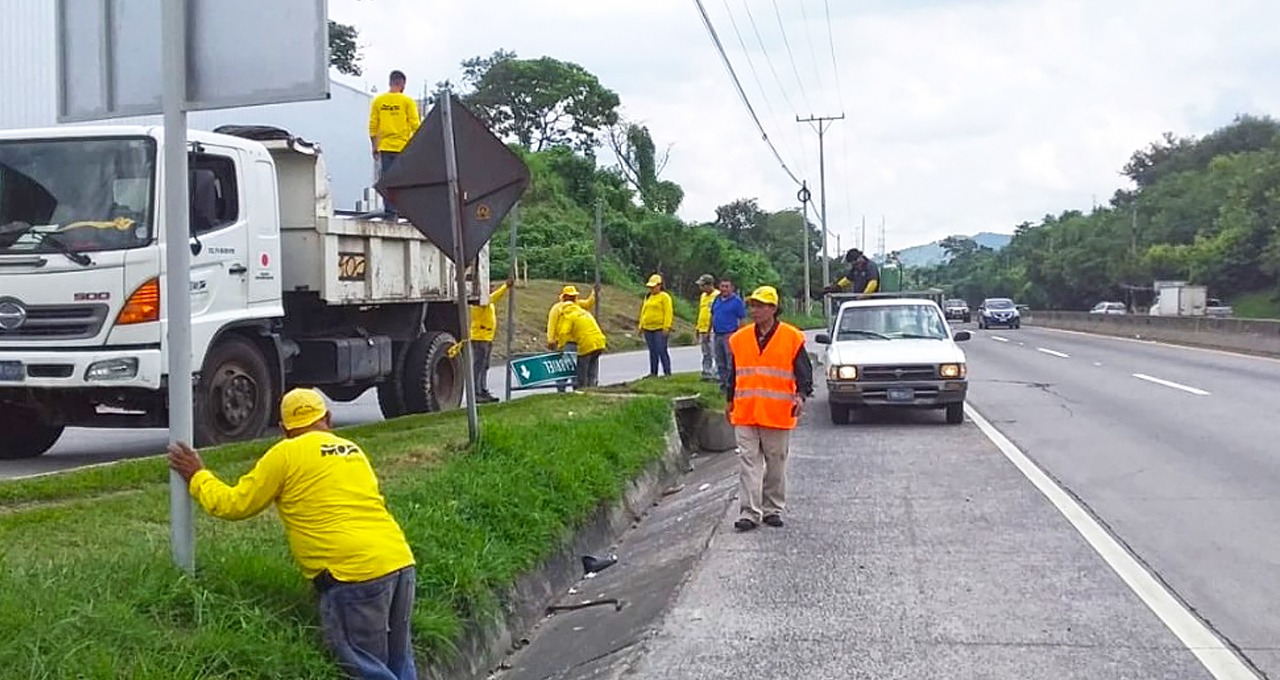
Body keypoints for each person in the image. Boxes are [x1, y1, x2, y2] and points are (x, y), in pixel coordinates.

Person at [166, 388, 417, 680]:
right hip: (399, 562)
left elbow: (234, 505)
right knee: (400, 660)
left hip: (353, 575)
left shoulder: (285, 454)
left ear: (285, 430)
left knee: (365, 669)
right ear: (328, 419)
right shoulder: (353, 451)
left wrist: (198, 476)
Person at [724, 286, 813, 532]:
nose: (754, 310)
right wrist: (729, 399)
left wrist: (801, 396)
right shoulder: (740, 338)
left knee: (776, 463)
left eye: (760, 305)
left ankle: (772, 508)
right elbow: (734, 373)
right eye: (752, 305)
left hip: (777, 411)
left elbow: (804, 372)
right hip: (746, 410)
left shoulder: (791, 337)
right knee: (748, 462)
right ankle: (749, 513)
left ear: (773, 309)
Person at [369, 70, 421, 219]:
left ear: (390, 82)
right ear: (402, 84)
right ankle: (403, 210)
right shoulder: (407, 102)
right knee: (403, 180)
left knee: (387, 180)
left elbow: (373, 126)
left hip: (385, 147)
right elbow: (415, 125)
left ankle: (390, 211)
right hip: (403, 147)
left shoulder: (379, 101)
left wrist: (374, 146)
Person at [467, 277, 514, 403]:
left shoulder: (487, 302)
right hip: (480, 337)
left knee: (484, 365)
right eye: (489, 287)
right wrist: (505, 287)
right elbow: (494, 297)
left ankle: (482, 389)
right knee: (479, 365)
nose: (491, 289)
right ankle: (476, 392)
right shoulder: (479, 302)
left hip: (487, 337)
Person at [546, 285, 597, 392]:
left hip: (578, 342)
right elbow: (552, 324)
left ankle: (577, 389)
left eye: (573, 296)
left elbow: (588, 304)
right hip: (567, 342)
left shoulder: (577, 305)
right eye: (570, 296)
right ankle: (561, 390)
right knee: (565, 368)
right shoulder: (557, 309)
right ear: (564, 297)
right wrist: (551, 340)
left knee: (577, 368)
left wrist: (594, 293)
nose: (572, 298)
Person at [550, 301, 607, 388]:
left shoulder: (569, 316)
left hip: (586, 343)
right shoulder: (585, 313)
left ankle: (581, 389)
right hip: (600, 342)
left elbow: (563, 333)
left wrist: (561, 346)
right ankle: (592, 388)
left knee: (582, 368)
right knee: (593, 366)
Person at [710, 277, 748, 391]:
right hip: (717, 334)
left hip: (730, 334)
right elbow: (712, 315)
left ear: (731, 288)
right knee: (719, 361)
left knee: (730, 362)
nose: (724, 289)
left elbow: (742, 319)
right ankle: (723, 386)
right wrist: (708, 330)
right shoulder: (717, 299)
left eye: (727, 286)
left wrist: (741, 335)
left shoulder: (737, 301)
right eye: (722, 286)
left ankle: (732, 386)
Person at [637, 274, 674, 377]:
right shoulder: (648, 297)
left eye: (654, 287)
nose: (652, 289)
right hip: (648, 328)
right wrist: (641, 326)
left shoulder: (664, 297)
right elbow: (643, 311)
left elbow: (668, 312)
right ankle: (653, 372)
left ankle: (667, 372)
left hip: (659, 328)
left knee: (661, 349)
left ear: (660, 285)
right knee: (652, 351)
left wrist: (666, 327)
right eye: (650, 287)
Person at [695, 274, 718, 382]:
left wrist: (710, 328)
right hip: (702, 328)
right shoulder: (703, 296)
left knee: (714, 351)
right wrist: (698, 327)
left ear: (709, 285)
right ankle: (706, 372)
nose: (701, 288)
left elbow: (715, 313)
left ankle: (717, 373)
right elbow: (702, 312)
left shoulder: (717, 295)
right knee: (705, 352)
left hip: (713, 328)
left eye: (703, 285)